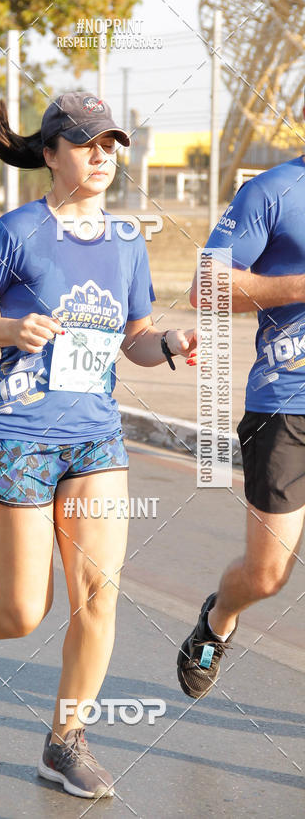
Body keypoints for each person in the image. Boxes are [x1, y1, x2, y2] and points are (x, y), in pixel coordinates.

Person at [0, 88, 197, 799]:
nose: (101, 157)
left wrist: (166, 342)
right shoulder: (18, 231)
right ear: (50, 153)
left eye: (110, 145)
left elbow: (134, 337)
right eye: (85, 144)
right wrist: (11, 328)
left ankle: (64, 742)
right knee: (22, 611)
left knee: (98, 598)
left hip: (94, 439)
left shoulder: (127, 241)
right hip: (18, 436)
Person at [177, 140, 305, 699]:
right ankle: (219, 618)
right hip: (286, 403)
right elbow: (205, 287)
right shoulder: (271, 193)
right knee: (267, 574)